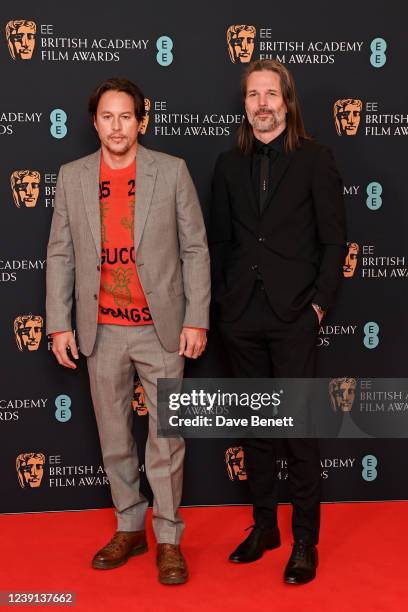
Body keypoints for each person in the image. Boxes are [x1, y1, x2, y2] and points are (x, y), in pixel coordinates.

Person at [46, 77, 210, 585]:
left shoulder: (172, 171)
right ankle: (128, 527)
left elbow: (195, 249)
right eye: (107, 117)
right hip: (102, 332)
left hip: (160, 330)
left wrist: (196, 317)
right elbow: (61, 254)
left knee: (166, 438)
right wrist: (58, 325)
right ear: (94, 122)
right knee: (115, 438)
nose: (117, 127)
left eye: (126, 117)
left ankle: (167, 538)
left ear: (142, 120)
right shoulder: (72, 176)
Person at [210, 59, 346, 584]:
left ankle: (305, 540)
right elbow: (220, 242)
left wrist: (318, 306)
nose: (262, 103)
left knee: (298, 430)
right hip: (241, 316)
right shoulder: (226, 165)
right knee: (255, 429)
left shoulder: (316, 159)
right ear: (244, 105)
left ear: (287, 102)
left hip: (294, 315)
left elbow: (335, 240)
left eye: (271, 94)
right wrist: (223, 304)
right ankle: (264, 526)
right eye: (253, 95)